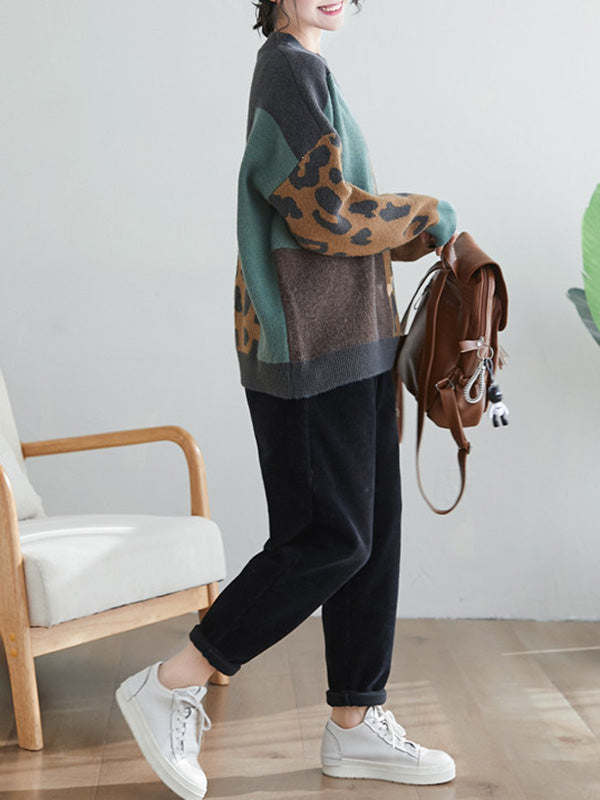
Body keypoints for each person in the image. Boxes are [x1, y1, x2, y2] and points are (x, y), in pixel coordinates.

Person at [115, 2, 458, 798]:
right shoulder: (287, 70)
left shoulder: (311, 68)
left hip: (358, 343)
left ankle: (355, 722)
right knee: (328, 539)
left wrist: (411, 236)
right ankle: (172, 681)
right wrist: (427, 214)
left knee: (372, 535)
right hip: (306, 350)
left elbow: (333, 214)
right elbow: (324, 212)